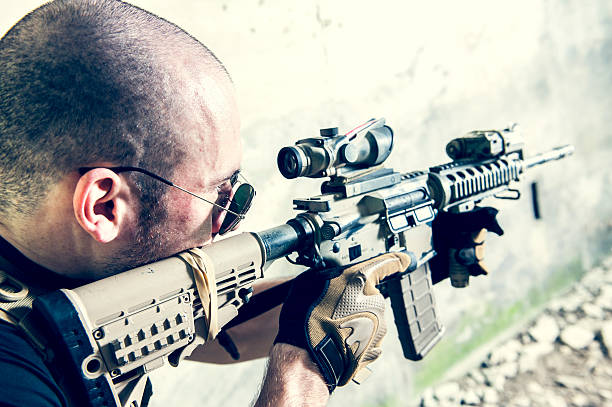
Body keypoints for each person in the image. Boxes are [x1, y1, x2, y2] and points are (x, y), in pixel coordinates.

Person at [0, 1, 421, 406]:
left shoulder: (58, 266)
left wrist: (343, 297)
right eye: (221, 193)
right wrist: (303, 378)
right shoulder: (14, 386)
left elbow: (207, 327)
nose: (229, 221)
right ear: (104, 207)